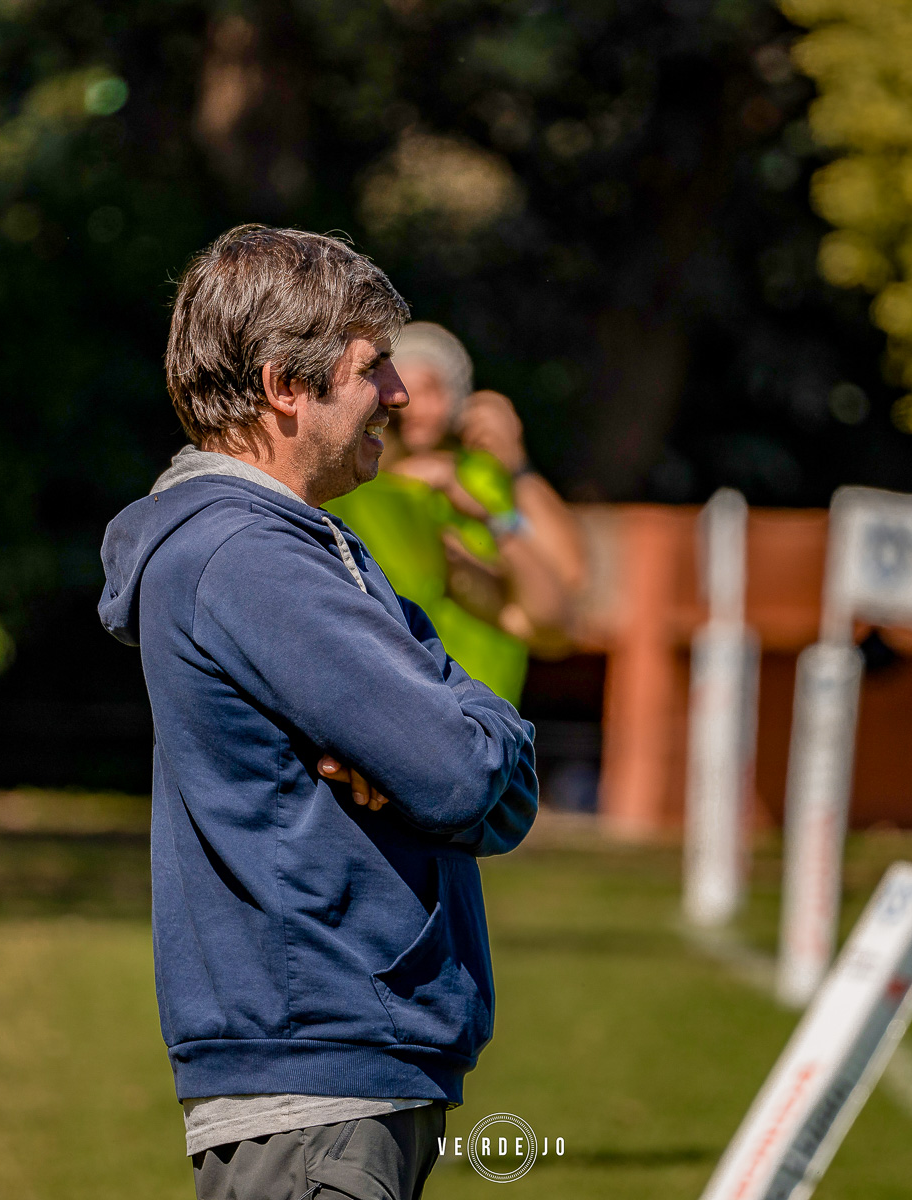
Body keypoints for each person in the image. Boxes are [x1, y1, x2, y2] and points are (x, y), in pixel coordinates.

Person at [98, 226, 537, 1200]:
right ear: (283, 386)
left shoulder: (303, 545)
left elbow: (491, 765)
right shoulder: (248, 557)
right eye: (372, 365)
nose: (400, 393)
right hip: (316, 1087)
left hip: (346, 1080)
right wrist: (451, 742)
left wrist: (457, 738)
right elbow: (463, 777)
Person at [325, 322, 586, 704]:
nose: (412, 404)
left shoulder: (481, 476)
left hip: (483, 708)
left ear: (458, 398)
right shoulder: (353, 486)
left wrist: (511, 472)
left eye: (430, 389)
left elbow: (562, 599)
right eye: (401, 387)